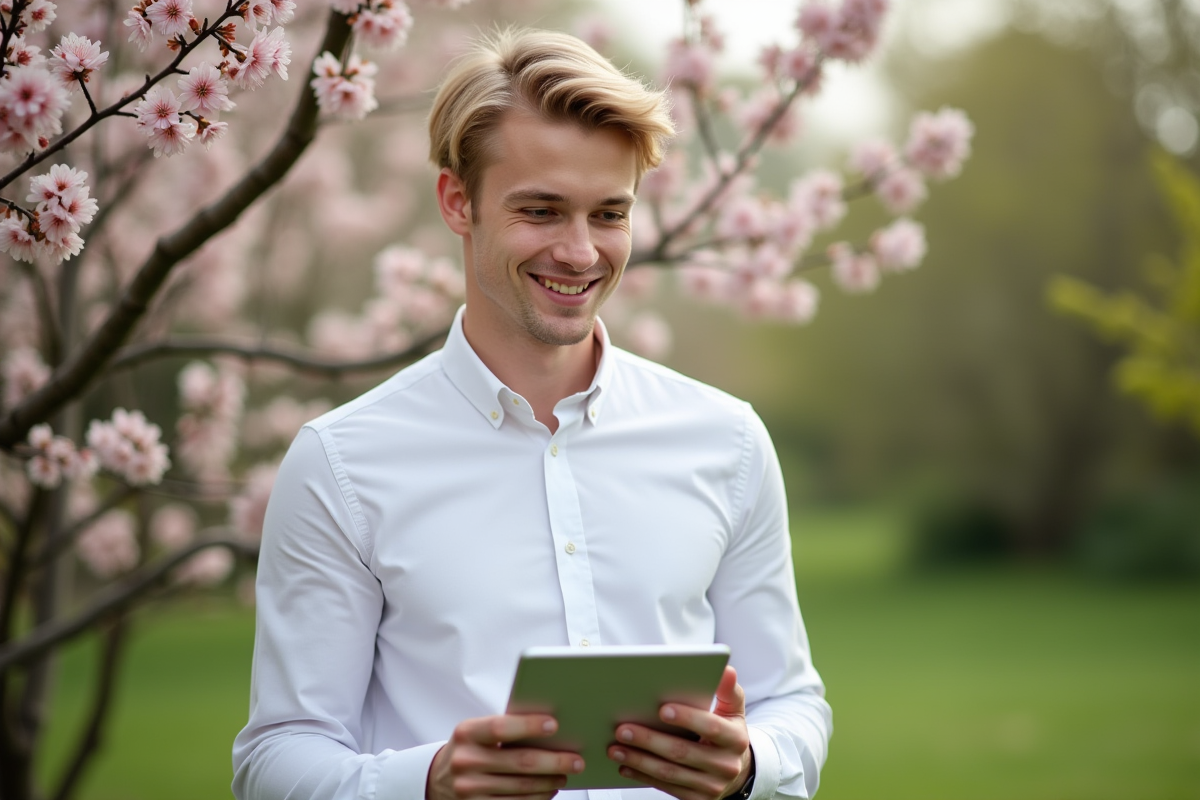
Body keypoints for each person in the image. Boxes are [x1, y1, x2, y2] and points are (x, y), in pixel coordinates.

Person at [232, 27, 831, 800]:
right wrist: (430, 783)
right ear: (458, 201)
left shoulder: (729, 442)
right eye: (542, 211)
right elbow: (277, 759)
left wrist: (752, 763)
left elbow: (792, 703)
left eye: (609, 214)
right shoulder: (342, 464)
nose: (581, 253)